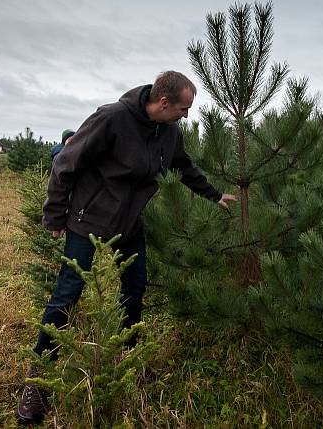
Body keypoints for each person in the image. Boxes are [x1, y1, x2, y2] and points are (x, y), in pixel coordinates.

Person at [17, 70, 236, 423]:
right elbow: (65, 163)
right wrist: (55, 216)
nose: (186, 115)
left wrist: (212, 194)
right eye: (184, 108)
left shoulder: (168, 131)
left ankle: (126, 357)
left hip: (129, 222)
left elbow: (183, 166)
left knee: (134, 287)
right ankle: (37, 380)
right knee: (68, 293)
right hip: (88, 218)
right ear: (163, 102)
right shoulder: (112, 119)